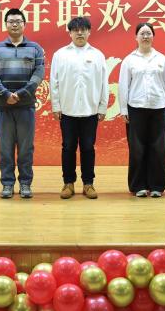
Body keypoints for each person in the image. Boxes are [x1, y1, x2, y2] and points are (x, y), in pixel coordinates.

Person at [0, 8, 45, 199]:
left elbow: (39, 73)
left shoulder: (35, 48)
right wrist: (5, 94)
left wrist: (21, 94)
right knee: (5, 148)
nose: (14, 24)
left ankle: (25, 183)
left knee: (26, 148)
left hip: (26, 106)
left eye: (18, 21)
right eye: (11, 21)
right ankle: (7, 184)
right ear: (6, 24)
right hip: (4, 106)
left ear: (24, 24)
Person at [50, 17, 108, 200]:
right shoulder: (60, 54)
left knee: (88, 147)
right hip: (67, 110)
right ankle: (68, 183)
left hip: (91, 111)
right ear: (70, 33)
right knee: (68, 147)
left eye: (83, 29)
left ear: (89, 32)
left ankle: (88, 183)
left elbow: (104, 83)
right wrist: (56, 106)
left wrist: (102, 107)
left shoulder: (97, 55)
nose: (80, 33)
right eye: (76, 30)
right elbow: (54, 82)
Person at [118, 22, 165, 198]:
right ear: (136, 37)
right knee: (137, 148)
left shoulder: (162, 59)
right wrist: (124, 109)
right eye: (142, 33)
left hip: (159, 108)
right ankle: (138, 186)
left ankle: (157, 186)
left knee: (158, 148)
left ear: (153, 37)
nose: (145, 36)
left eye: (148, 33)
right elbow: (123, 85)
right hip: (136, 108)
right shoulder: (129, 60)